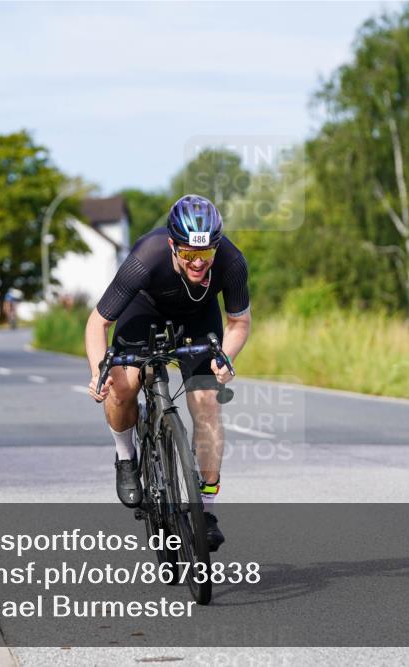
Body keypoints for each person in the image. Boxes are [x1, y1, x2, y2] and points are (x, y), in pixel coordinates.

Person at [85, 194, 251, 552]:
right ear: (173, 245)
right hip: (143, 311)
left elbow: (239, 322)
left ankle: (205, 511)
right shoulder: (146, 257)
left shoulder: (232, 263)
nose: (197, 263)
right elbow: (97, 323)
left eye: (205, 255)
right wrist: (100, 370)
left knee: (207, 402)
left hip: (198, 318)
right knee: (123, 385)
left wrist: (226, 357)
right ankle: (126, 458)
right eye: (189, 254)